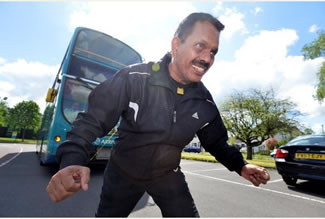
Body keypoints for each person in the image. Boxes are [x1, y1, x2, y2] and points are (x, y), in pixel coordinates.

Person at [46, 12, 270, 217]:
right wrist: (72, 160)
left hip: (167, 175)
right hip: (123, 172)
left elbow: (218, 143)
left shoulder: (205, 103)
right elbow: (93, 120)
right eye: (200, 46)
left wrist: (241, 166)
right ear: (176, 45)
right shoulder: (133, 78)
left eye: (213, 52)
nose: (207, 58)